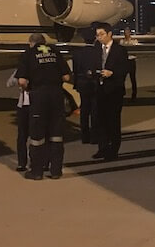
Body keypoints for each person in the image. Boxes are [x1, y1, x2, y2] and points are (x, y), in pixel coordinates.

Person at [15, 33, 71, 180]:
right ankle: (56, 171)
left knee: (37, 136)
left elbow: (21, 81)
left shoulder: (28, 54)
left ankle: (36, 171)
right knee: (56, 135)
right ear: (44, 42)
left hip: (39, 97)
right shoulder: (54, 51)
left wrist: (29, 87)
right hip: (57, 96)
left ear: (31, 43)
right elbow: (66, 77)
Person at [93, 22, 129, 160]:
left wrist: (112, 73)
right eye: (97, 35)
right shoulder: (96, 50)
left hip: (114, 91)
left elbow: (124, 69)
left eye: (101, 34)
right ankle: (102, 148)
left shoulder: (120, 50)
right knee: (100, 121)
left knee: (113, 121)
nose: (99, 37)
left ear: (109, 34)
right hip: (100, 90)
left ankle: (113, 150)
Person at [72, 26, 101, 145]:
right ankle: (95, 136)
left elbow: (75, 70)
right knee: (95, 110)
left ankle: (85, 136)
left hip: (82, 83)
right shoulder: (98, 53)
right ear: (95, 38)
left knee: (84, 110)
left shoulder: (78, 53)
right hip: (94, 84)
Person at [6, 68, 30, 171]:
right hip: (24, 106)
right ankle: (22, 163)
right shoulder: (21, 69)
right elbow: (9, 83)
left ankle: (36, 162)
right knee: (22, 137)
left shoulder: (35, 67)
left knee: (35, 136)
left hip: (34, 104)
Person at [120, 26, 139, 101]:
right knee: (122, 78)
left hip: (131, 61)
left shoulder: (134, 41)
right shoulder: (122, 41)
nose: (126, 33)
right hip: (124, 61)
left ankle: (134, 94)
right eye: (125, 32)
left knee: (133, 78)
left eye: (127, 32)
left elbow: (137, 51)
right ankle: (122, 92)